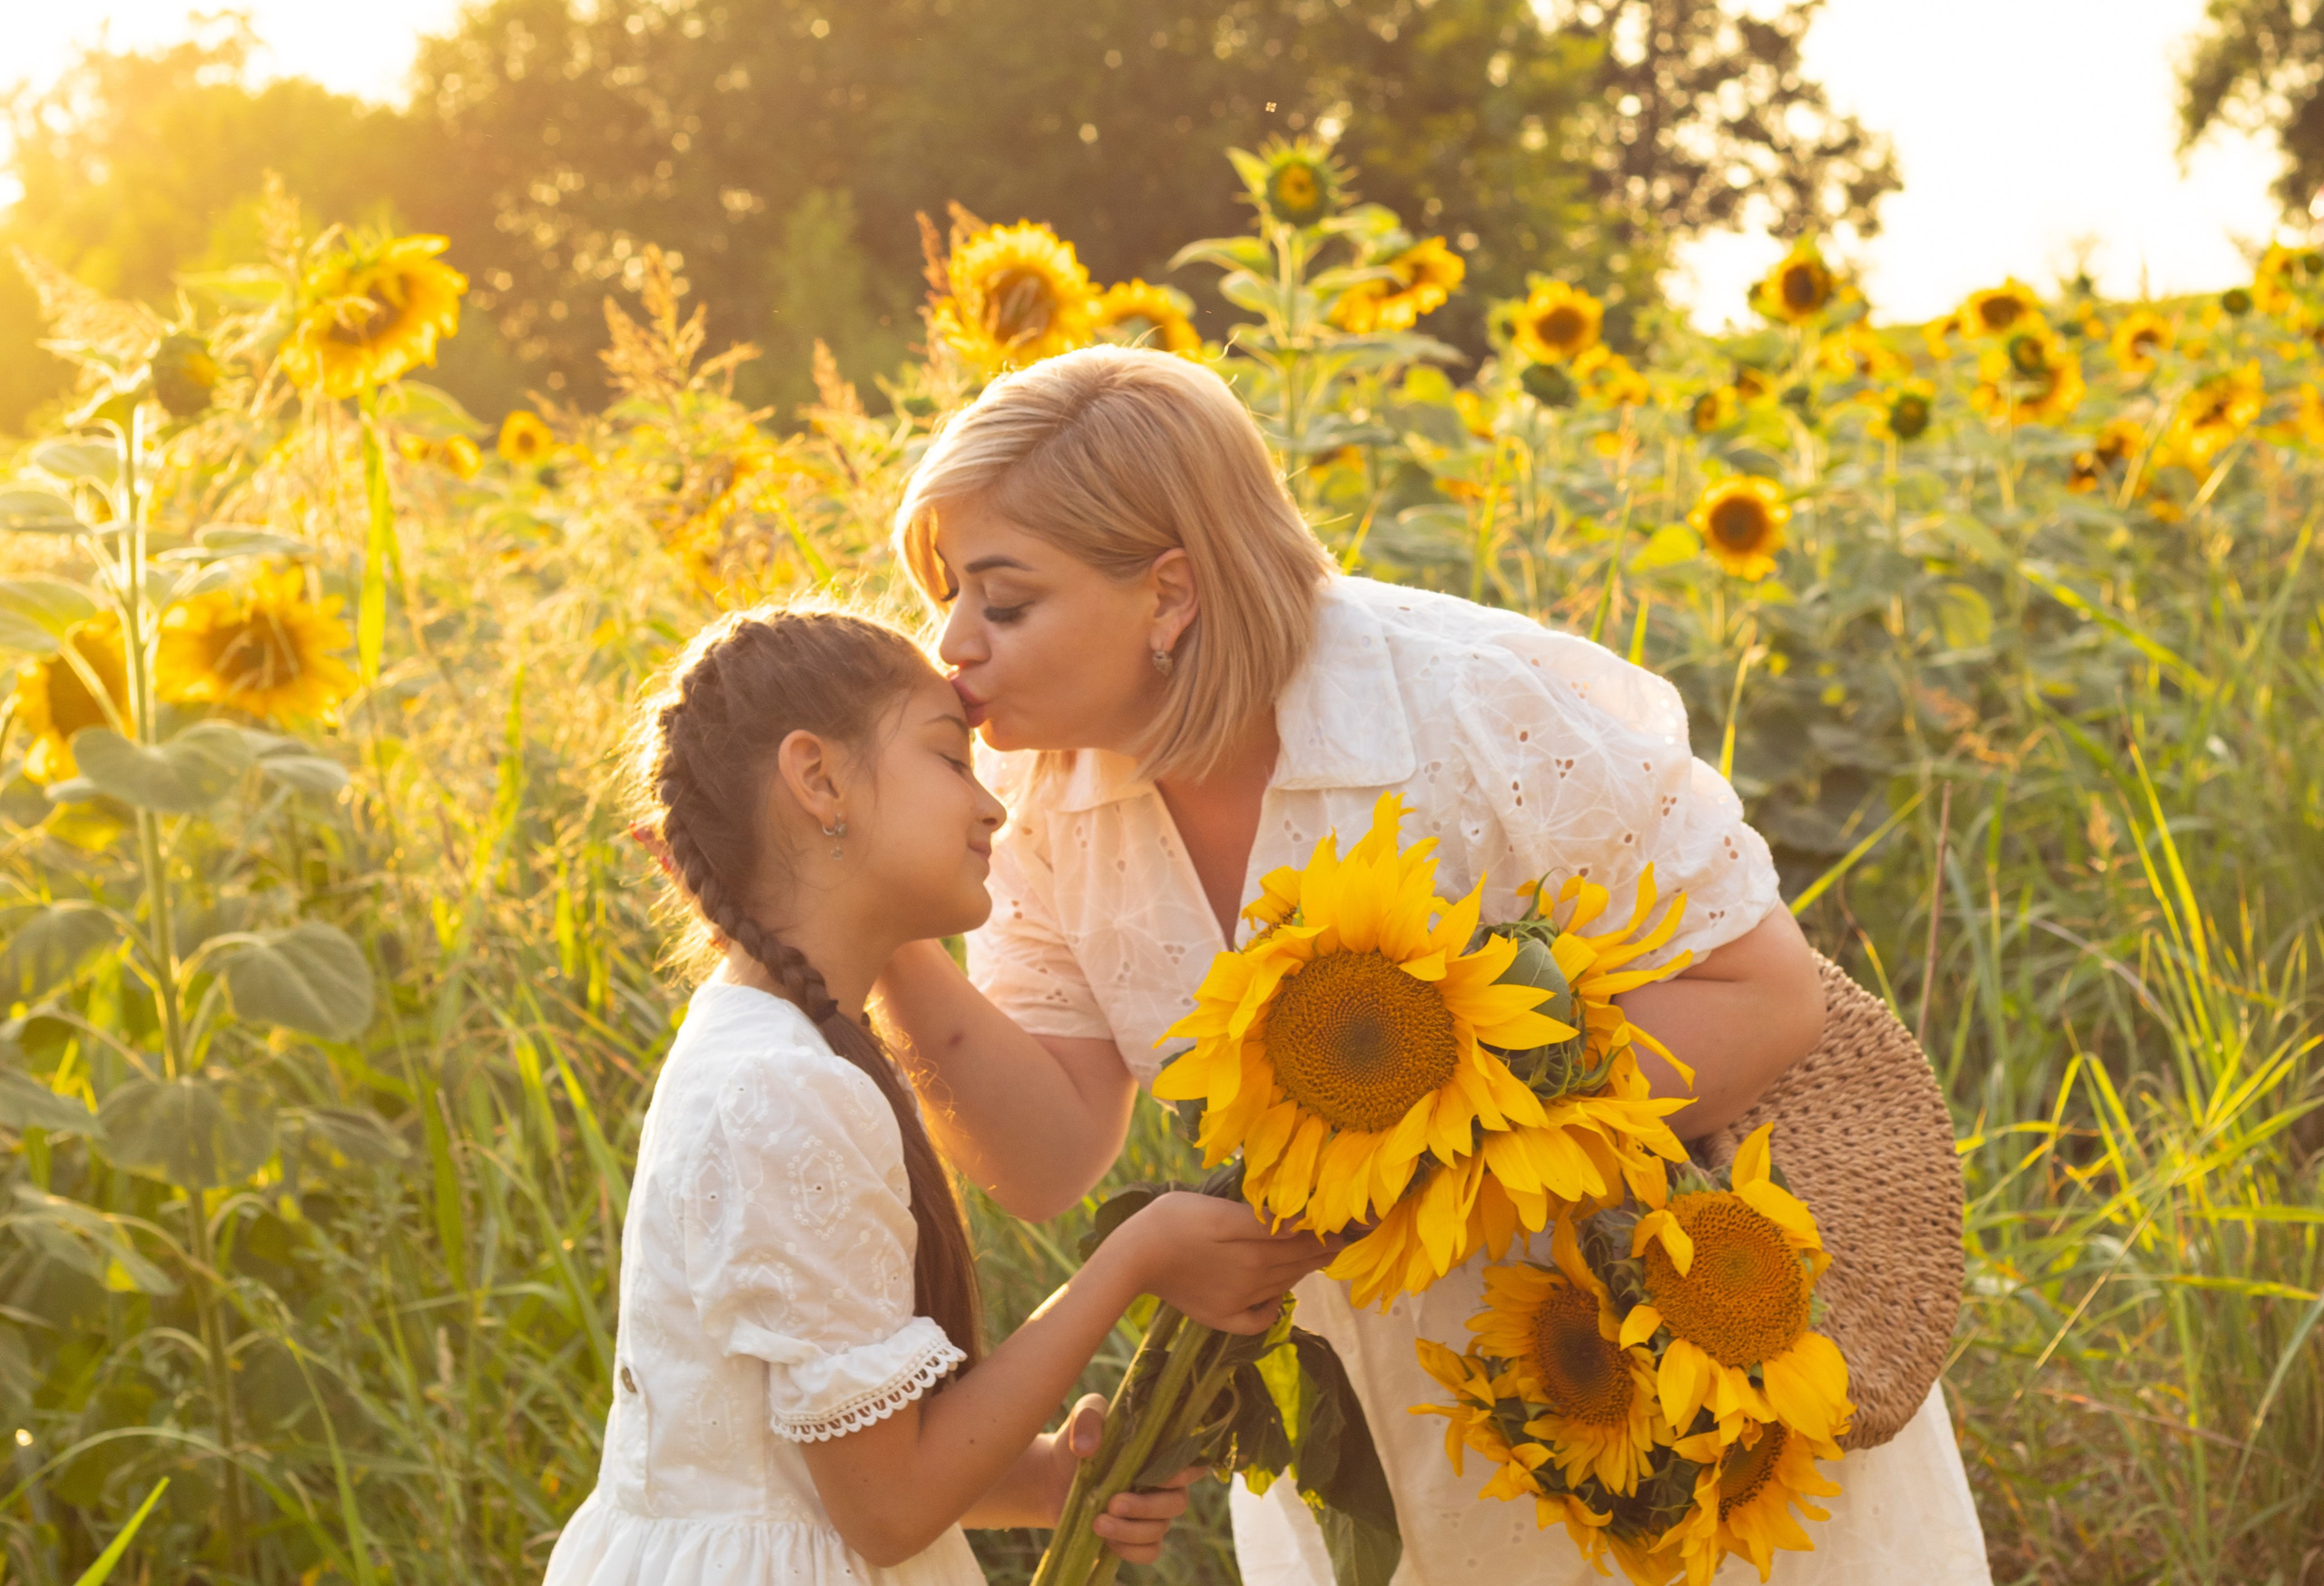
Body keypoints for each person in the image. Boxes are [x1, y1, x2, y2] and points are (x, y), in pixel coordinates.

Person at [874, 346, 1993, 1584]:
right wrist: (889, 935)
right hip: (1376, 1415)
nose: (950, 645)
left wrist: (1431, 1139)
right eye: (944, 596)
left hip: (1645, 1356)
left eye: (1002, 600)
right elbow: (1048, 1155)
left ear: (1171, 592)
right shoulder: (1042, 792)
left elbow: (1766, 993)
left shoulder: (1468, 703)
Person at [544, 606, 1339, 1586]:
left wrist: (1046, 1478)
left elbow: (825, 1451)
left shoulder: (769, 1045)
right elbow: (885, 1514)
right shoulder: (784, 1089)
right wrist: (1133, 1259)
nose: (992, 806)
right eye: (949, 758)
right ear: (818, 779)